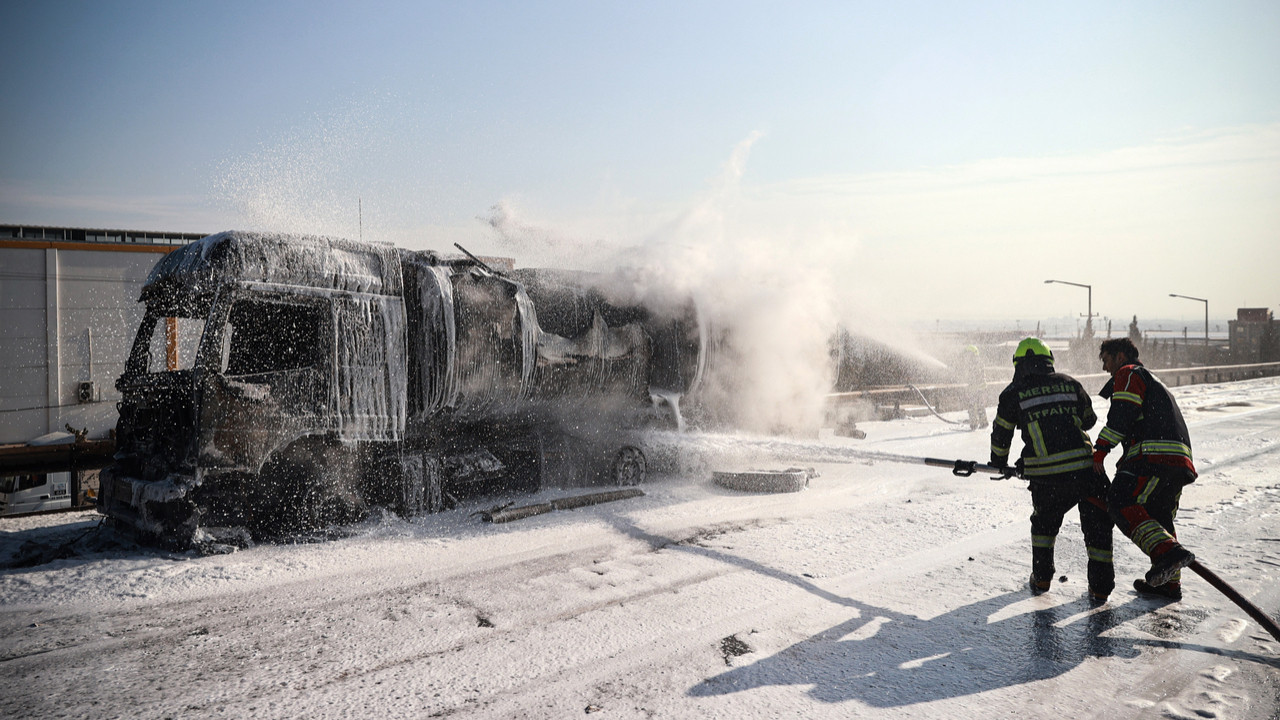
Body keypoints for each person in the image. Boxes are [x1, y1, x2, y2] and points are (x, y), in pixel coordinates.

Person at [990, 337, 1114, 603]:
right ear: (1048, 361)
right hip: (1086, 471)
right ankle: (1101, 587)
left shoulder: (1013, 393)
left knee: (1044, 525)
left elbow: (1002, 432)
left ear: (1019, 365)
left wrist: (999, 461)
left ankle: (1043, 578)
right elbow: (1089, 421)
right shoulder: (1070, 383)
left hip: (1047, 477)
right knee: (1097, 527)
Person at [1093, 337, 1197, 600]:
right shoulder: (1154, 379)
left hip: (1153, 456)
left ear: (1119, 356)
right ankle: (1168, 583)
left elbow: (1121, 415)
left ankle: (1167, 553)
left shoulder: (1128, 373)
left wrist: (1100, 450)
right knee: (1159, 516)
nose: (1105, 368)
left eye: (1105, 360)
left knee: (1119, 501)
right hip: (1177, 460)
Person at [961, 345, 988, 430]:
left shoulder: (974, 363)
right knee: (979, 406)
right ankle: (983, 422)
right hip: (979, 388)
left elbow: (973, 377)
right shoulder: (977, 362)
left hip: (976, 389)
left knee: (972, 406)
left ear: (973, 354)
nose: (967, 356)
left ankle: (974, 424)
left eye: (968, 354)